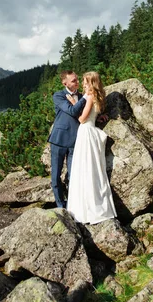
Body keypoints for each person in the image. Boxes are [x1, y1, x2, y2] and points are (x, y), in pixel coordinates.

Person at [65, 71, 117, 224]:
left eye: (85, 81)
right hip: (91, 130)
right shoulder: (97, 96)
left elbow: (82, 118)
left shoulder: (90, 96)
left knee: (84, 169)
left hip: (86, 133)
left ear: (91, 82)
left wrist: (74, 105)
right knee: (93, 169)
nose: (83, 83)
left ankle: (85, 210)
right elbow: (92, 115)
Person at [47, 70, 88, 208]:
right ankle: (60, 205)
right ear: (65, 83)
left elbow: (84, 115)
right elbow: (71, 111)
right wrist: (85, 98)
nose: (77, 82)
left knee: (73, 175)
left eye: (77, 79)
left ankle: (72, 204)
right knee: (56, 176)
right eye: (73, 81)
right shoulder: (59, 95)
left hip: (75, 141)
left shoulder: (81, 96)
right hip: (58, 140)